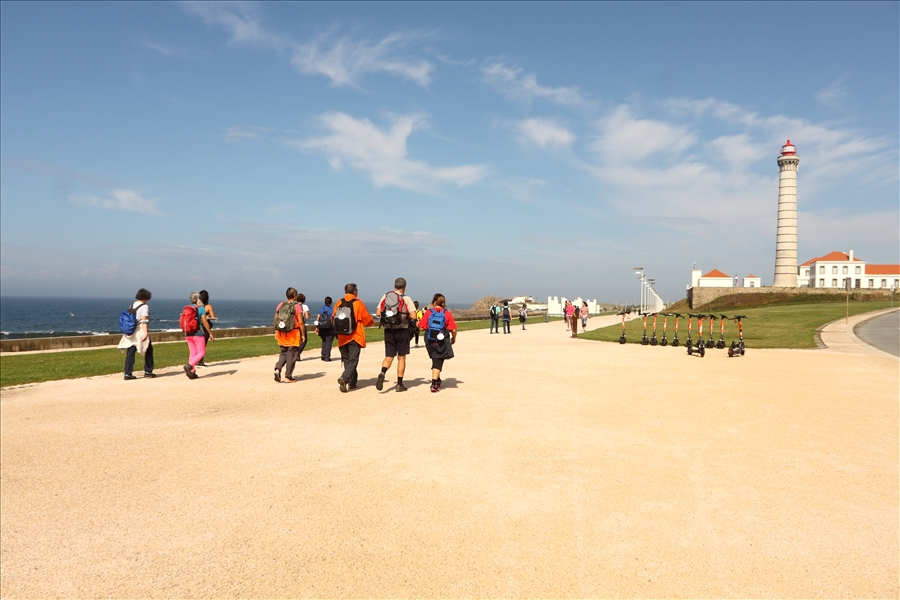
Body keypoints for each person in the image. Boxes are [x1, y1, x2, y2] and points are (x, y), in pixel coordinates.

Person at [375, 277, 418, 392]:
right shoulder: (406, 299)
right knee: (401, 357)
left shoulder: (386, 296)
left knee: (389, 356)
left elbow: (378, 313)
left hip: (388, 330)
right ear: (405, 287)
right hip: (402, 330)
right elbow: (413, 315)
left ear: (394, 286)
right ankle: (399, 384)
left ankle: (383, 372)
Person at [334, 283, 374, 393]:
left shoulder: (338, 303)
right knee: (353, 360)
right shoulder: (358, 303)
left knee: (347, 360)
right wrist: (371, 321)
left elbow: (333, 318)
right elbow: (366, 320)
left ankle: (352, 382)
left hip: (341, 336)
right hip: (354, 336)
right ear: (355, 292)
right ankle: (345, 378)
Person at [418, 293, 457, 393]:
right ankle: (434, 383)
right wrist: (453, 338)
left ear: (434, 302)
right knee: (438, 360)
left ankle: (437, 379)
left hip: (429, 339)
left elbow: (421, 328)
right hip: (441, 339)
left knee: (436, 359)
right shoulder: (447, 313)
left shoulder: (428, 312)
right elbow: (453, 329)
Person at [118, 288, 155, 380]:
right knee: (148, 349)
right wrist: (146, 333)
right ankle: (148, 371)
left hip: (131, 330)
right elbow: (144, 321)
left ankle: (128, 373)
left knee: (131, 351)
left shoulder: (132, 304)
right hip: (139, 330)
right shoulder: (144, 306)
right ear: (146, 297)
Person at [273, 287, 306, 383]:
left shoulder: (281, 304)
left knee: (284, 352)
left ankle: (278, 369)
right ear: (295, 295)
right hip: (293, 333)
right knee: (292, 354)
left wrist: (276, 331)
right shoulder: (297, 306)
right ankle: (288, 376)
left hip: (282, 333)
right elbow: (301, 322)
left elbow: (276, 318)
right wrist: (303, 334)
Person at [183, 291, 214, 379]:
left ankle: (192, 372)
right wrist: (210, 333)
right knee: (201, 352)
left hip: (188, 334)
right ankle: (189, 365)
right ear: (198, 299)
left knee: (193, 353)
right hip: (198, 334)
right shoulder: (200, 309)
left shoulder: (187, 308)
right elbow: (205, 322)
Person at [197, 290, 217, 367]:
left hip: (197, 326)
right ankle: (200, 361)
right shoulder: (208, 306)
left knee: (197, 345)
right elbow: (213, 316)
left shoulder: (197, 306)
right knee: (203, 344)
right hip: (205, 327)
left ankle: (195, 359)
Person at [315, 296, 335, 361]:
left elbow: (318, 319)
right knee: (329, 342)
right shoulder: (332, 310)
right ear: (331, 302)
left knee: (324, 341)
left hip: (322, 327)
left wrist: (317, 327)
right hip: (329, 327)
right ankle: (327, 356)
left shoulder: (321, 309)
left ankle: (323, 355)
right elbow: (333, 319)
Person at [295, 293, 311, 361]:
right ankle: (298, 352)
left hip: (295, 324)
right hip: (302, 324)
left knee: (297, 339)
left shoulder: (294, 305)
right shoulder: (305, 306)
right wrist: (309, 315)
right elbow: (307, 317)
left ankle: (294, 353)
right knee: (304, 340)